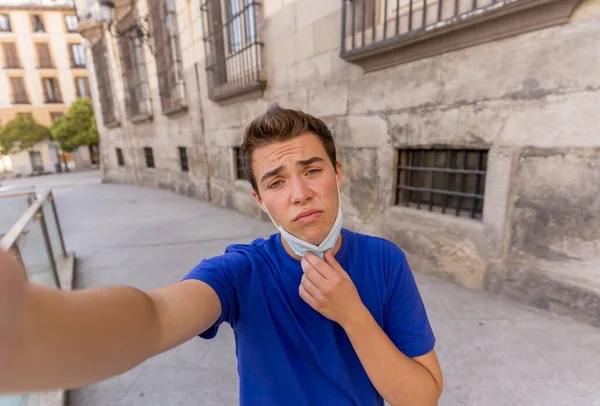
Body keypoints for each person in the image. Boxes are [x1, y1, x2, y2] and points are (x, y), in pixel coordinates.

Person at [0, 105, 443, 405]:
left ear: (337, 173)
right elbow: (154, 317)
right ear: (259, 199)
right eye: (276, 182)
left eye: (312, 170)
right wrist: (30, 322)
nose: (301, 194)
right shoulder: (242, 272)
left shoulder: (385, 262)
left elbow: (422, 395)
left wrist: (352, 315)